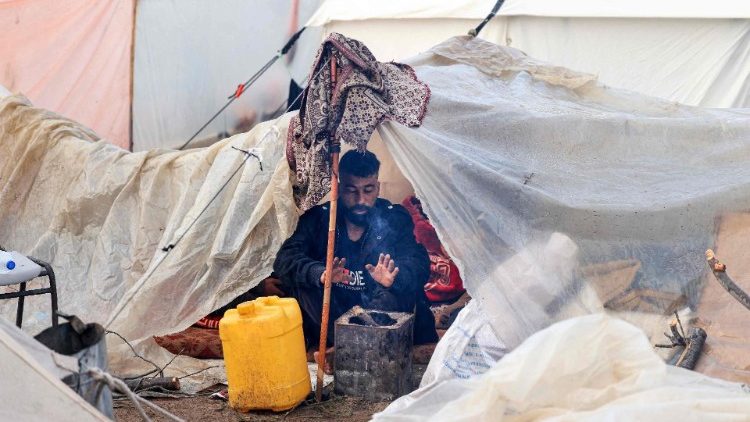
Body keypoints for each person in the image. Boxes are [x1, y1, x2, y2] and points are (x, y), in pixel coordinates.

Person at [273, 150, 438, 350]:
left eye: (368, 190)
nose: (361, 200)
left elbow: (418, 260)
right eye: (352, 190)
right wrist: (321, 274)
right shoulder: (320, 218)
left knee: (398, 289)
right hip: (336, 313)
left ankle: (354, 347)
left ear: (377, 188)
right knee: (305, 284)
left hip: (381, 313)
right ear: (340, 189)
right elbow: (285, 258)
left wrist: (395, 276)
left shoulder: (394, 218)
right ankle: (344, 345)